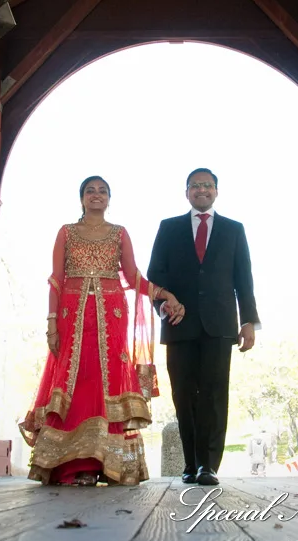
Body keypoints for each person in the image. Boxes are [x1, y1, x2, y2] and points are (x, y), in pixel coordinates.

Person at [20, 176, 184, 486]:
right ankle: (70, 464)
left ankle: (106, 464)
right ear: (81, 198)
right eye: (90, 191)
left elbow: (134, 276)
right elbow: (56, 278)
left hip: (111, 315)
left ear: (109, 199)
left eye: (102, 191)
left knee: (106, 382)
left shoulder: (119, 233)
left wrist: (165, 294)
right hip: (72, 315)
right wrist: (52, 323)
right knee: (75, 378)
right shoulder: (66, 232)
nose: (96, 196)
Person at [148, 168, 260, 487]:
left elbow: (244, 279)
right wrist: (163, 305)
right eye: (195, 186)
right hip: (178, 323)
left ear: (216, 191)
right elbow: (156, 275)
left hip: (220, 324)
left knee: (213, 394)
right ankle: (190, 463)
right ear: (186, 193)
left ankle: (208, 465)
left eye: (207, 185)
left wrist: (248, 320)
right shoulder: (168, 228)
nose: (201, 190)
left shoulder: (234, 230)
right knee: (184, 395)